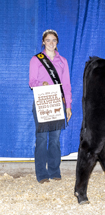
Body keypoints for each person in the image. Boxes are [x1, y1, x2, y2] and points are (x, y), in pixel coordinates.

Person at [29, 29, 72, 184]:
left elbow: (66, 84)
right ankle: (41, 174)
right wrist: (43, 83)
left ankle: (54, 170)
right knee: (41, 138)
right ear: (43, 42)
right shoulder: (36, 59)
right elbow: (31, 82)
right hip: (41, 101)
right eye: (48, 40)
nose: (51, 43)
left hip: (57, 101)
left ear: (57, 42)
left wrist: (68, 105)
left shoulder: (63, 61)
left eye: (54, 40)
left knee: (55, 139)